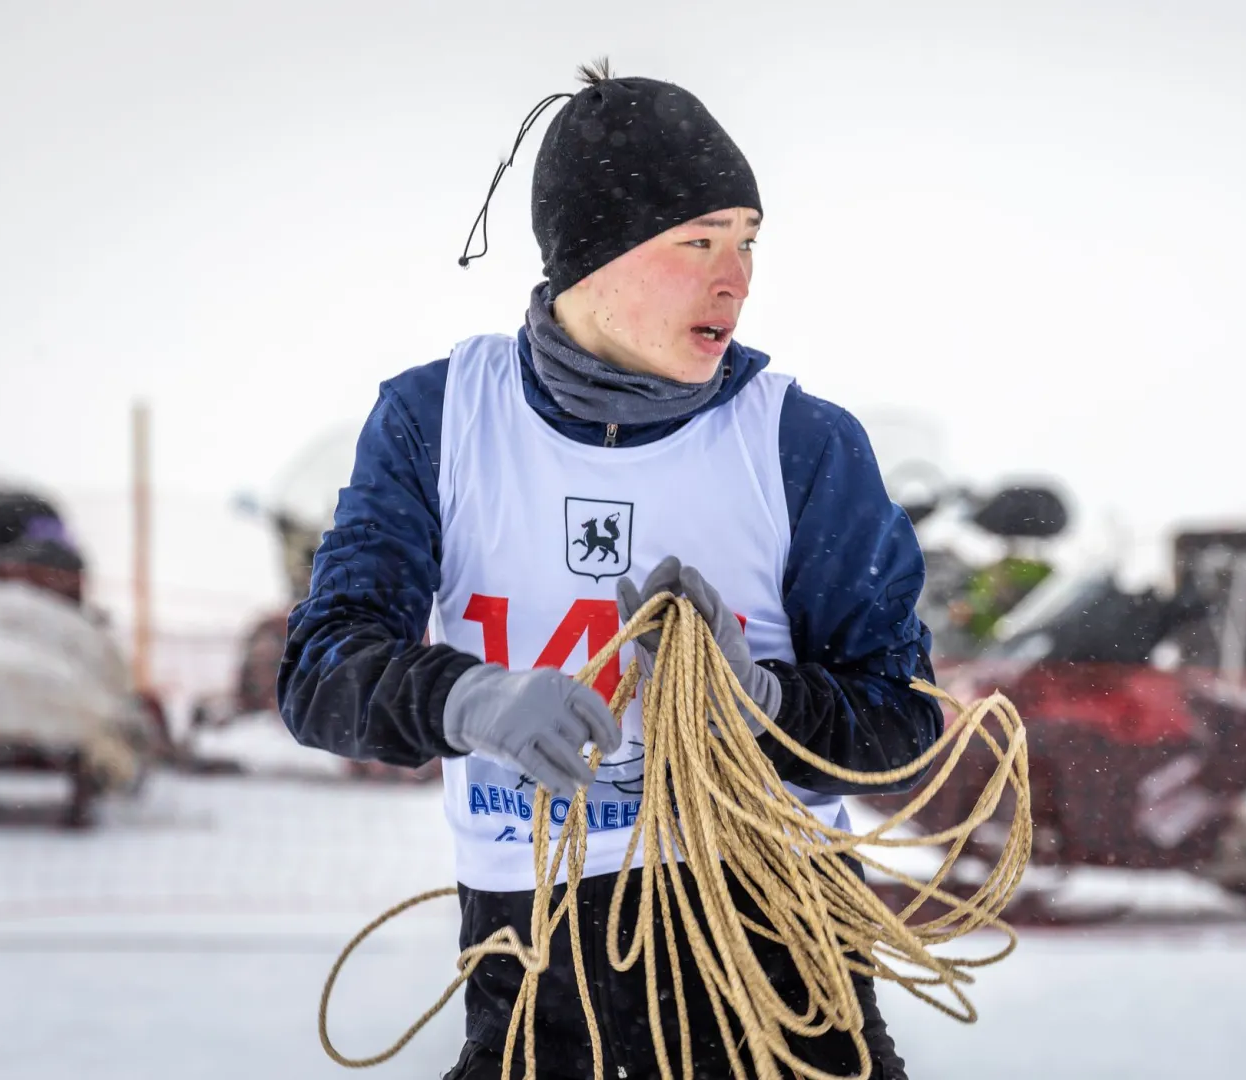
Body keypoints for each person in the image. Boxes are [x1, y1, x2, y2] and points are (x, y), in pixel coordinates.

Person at [277, 61, 936, 1080]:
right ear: (593, 257)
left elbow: (902, 724)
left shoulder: (801, 441)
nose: (737, 277)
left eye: (747, 242)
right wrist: (474, 699)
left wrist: (757, 704)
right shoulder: (438, 419)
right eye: (697, 243)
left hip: (778, 958)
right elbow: (321, 672)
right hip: (535, 962)